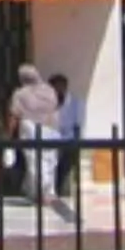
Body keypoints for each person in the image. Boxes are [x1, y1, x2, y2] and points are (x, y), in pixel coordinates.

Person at [6, 64, 61, 203]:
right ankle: (46, 192)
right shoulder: (50, 90)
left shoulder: (20, 94)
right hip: (51, 129)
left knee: (35, 162)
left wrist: (8, 134)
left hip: (31, 130)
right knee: (49, 162)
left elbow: (14, 115)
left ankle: (40, 192)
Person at [47, 73, 84, 202]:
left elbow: (78, 125)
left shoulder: (76, 103)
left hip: (68, 140)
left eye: (59, 88)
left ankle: (62, 190)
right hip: (50, 141)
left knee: (65, 161)